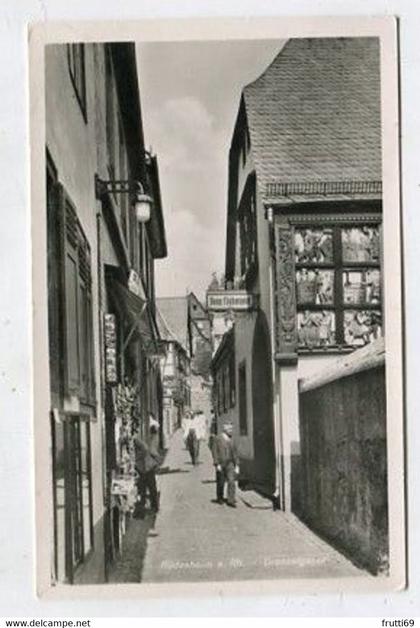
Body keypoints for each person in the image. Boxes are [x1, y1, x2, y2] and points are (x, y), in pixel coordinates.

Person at [133, 425, 161, 513]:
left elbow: (147, 449)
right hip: (145, 468)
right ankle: (152, 506)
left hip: (146, 468)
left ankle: (152, 506)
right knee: (148, 488)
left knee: (147, 488)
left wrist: (137, 459)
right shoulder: (152, 438)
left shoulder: (137, 440)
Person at [211, 421, 239, 507]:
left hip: (230, 463)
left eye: (232, 429)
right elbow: (214, 451)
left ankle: (231, 500)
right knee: (221, 482)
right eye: (229, 428)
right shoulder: (217, 438)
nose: (231, 430)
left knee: (231, 481)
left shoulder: (232, 439)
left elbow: (235, 453)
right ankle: (220, 497)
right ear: (225, 429)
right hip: (221, 463)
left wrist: (237, 465)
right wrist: (217, 464)